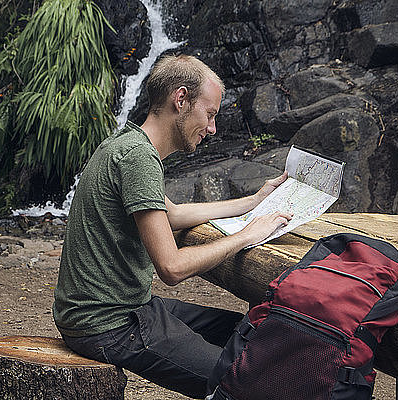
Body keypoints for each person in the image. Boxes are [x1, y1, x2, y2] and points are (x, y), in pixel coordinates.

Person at [52, 54, 292, 399]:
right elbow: (172, 267)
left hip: (124, 308)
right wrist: (245, 236)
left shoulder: (125, 145)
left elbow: (173, 213)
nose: (212, 129)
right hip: (107, 324)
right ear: (181, 100)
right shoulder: (138, 159)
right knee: (243, 380)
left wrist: (253, 201)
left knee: (249, 331)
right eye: (209, 114)